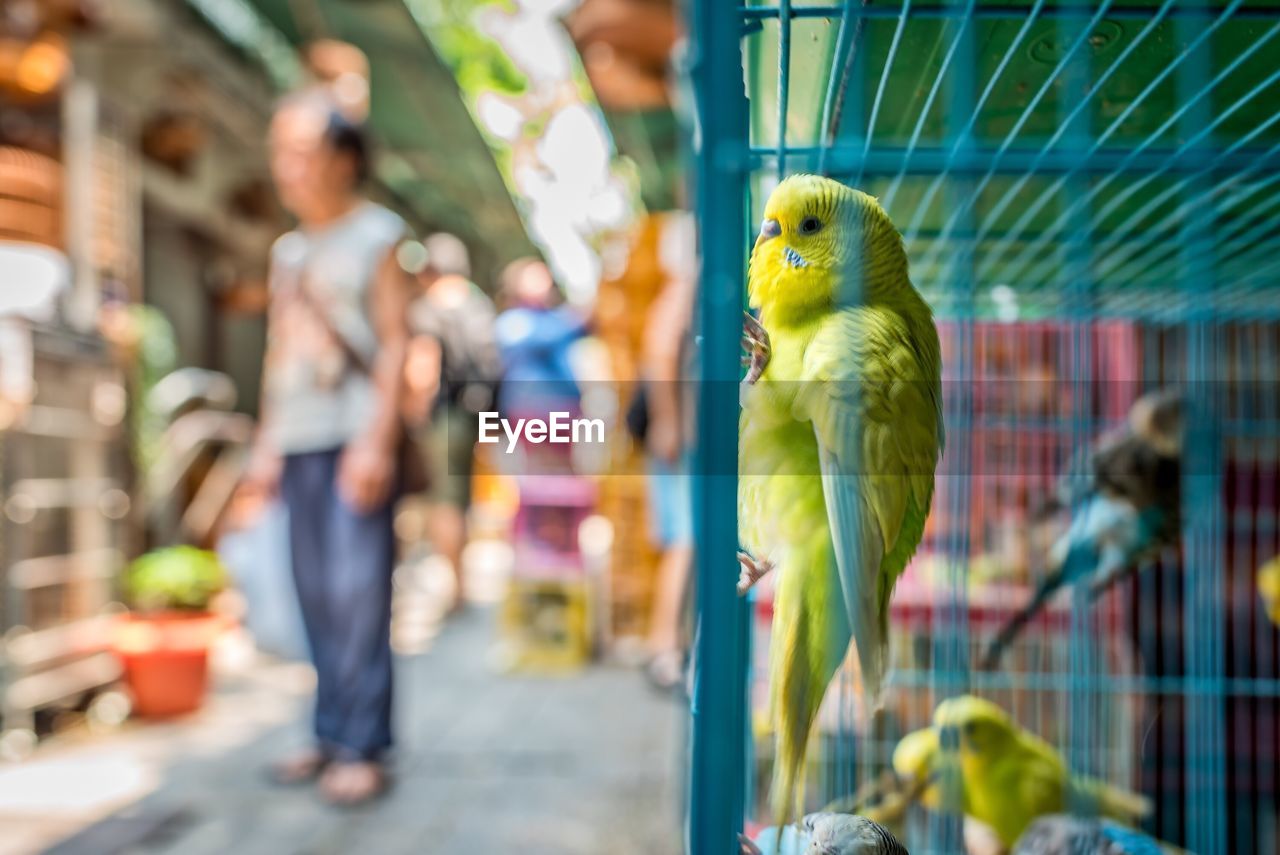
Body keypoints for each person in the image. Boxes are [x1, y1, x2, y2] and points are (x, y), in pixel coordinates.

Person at [241, 90, 412, 805]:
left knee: (357, 592)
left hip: (354, 439)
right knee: (311, 591)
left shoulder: (378, 236)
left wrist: (377, 441)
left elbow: (402, 341)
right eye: (280, 152)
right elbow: (279, 352)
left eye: (302, 152)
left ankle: (361, 743)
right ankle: (326, 728)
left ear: (343, 159)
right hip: (301, 439)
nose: (288, 168)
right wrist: (265, 444)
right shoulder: (288, 251)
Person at [407, 233, 501, 612]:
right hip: (476, 416)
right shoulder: (478, 304)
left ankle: (456, 587)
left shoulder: (430, 307)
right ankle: (460, 583)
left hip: (443, 417)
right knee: (461, 501)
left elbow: (423, 366)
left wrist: (412, 413)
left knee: (443, 502)